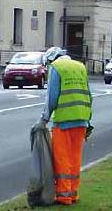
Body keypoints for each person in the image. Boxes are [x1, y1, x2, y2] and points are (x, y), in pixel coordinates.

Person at [38, 47, 93, 205]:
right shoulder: (80, 67)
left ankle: (63, 196)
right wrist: (88, 122)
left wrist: (44, 119)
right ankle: (73, 193)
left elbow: (52, 97)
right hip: (81, 120)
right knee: (75, 158)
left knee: (62, 158)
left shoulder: (57, 68)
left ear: (51, 60)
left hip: (63, 122)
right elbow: (88, 95)